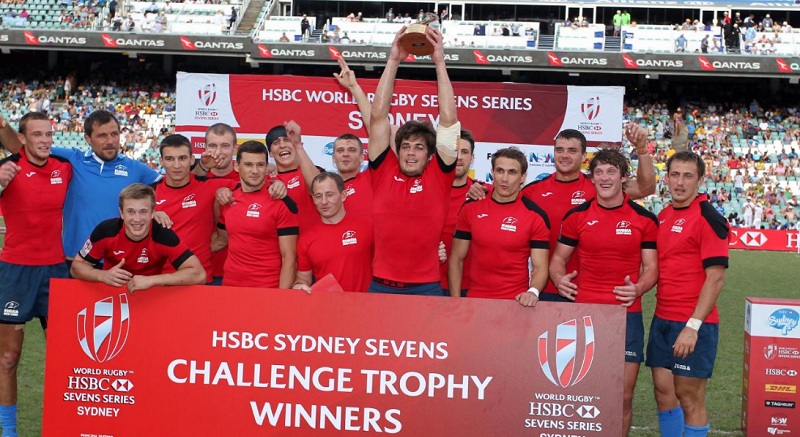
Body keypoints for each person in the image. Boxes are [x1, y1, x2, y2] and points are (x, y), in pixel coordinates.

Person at [473, 126, 655, 302]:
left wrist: (641, 150)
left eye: (572, 151)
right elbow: (504, 194)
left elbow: (645, 188)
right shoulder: (534, 190)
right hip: (540, 288)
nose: (565, 155)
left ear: (584, 156)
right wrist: (480, 189)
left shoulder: (599, 186)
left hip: (579, 291)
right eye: (559, 150)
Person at [550, 148, 658, 436]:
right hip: (583, 314)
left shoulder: (644, 219)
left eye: (611, 171)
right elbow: (558, 259)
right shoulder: (577, 216)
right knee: (582, 390)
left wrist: (639, 288)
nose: (605, 177)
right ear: (592, 178)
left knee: (623, 396)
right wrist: (559, 279)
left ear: (624, 177)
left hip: (626, 315)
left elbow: (651, 268)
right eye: (599, 172)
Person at [0, 110, 161, 266]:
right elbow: (20, 147)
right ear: (87, 139)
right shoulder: (72, 160)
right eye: (102, 136)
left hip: (117, 262)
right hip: (74, 260)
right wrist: (3, 125)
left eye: (114, 134)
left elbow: (170, 187)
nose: (110, 141)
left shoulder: (136, 168)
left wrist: (159, 209)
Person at [367, 26, 459, 296]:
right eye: (405, 146)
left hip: (426, 288)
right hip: (380, 287)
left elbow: (449, 121)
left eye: (418, 148)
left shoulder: (439, 176)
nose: (410, 153)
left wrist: (439, 62)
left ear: (430, 156)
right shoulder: (383, 170)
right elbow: (378, 117)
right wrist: (393, 60)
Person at [646, 151, 728, 437]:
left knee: (689, 396)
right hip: (662, 319)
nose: (680, 182)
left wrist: (692, 327)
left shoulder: (709, 218)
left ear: (700, 180)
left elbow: (716, 278)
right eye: (675, 175)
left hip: (693, 323)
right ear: (666, 178)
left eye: (688, 176)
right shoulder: (664, 216)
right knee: (663, 392)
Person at [0, 112, 73, 437]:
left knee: (64, 355)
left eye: (48, 134)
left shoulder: (64, 167)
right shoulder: (8, 169)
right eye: (37, 135)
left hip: (56, 272)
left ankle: (63, 425)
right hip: (15, 272)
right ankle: (9, 431)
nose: (44, 140)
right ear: (23, 139)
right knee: (8, 357)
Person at [449, 148, 549, 306]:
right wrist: (455, 301)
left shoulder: (535, 216)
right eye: (500, 171)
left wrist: (532, 292)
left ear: (523, 177)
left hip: (516, 304)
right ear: (492, 172)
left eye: (512, 172)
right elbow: (456, 259)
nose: (505, 178)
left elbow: (540, 267)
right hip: (475, 300)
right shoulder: (471, 208)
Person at [71, 184, 206, 292]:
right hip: (111, 292)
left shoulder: (163, 235)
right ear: (121, 213)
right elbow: (76, 267)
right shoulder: (106, 231)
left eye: (143, 212)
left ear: (152, 213)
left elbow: (199, 275)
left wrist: (152, 280)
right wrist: (102, 276)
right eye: (130, 212)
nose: (137, 219)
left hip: (150, 294)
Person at [150, 134, 241, 284]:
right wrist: (148, 215)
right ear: (161, 161)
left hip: (201, 281)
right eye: (170, 159)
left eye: (182, 158)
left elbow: (254, 186)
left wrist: (276, 182)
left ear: (192, 159)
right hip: (160, 281)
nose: (177, 165)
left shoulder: (210, 186)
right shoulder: (149, 194)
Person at [216, 141, 299, 289]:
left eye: (260, 165)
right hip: (230, 286)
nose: (255, 171)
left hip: (267, 288)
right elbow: (222, 240)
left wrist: (283, 296)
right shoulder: (228, 199)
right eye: (248, 165)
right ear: (237, 166)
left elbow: (289, 257)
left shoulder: (280, 201)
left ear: (267, 167)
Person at [294, 172, 373, 293]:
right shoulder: (306, 239)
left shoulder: (368, 227)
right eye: (318, 196)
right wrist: (299, 286)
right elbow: (303, 277)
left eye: (329, 195)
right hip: (327, 303)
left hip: (365, 303)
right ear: (313, 199)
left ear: (343, 195)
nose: (324, 201)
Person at [440, 129, 477, 296]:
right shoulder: (426, 191)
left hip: (471, 288)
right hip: (429, 286)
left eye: (465, 152)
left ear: (472, 158)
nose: (459, 157)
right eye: (454, 151)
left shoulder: (484, 193)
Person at [265, 121, 321, 231]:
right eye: (276, 143)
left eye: (287, 140)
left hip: (315, 239)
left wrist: (298, 145)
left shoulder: (315, 171)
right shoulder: (266, 181)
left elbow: (318, 190)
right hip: (284, 241)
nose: (282, 145)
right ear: (270, 153)